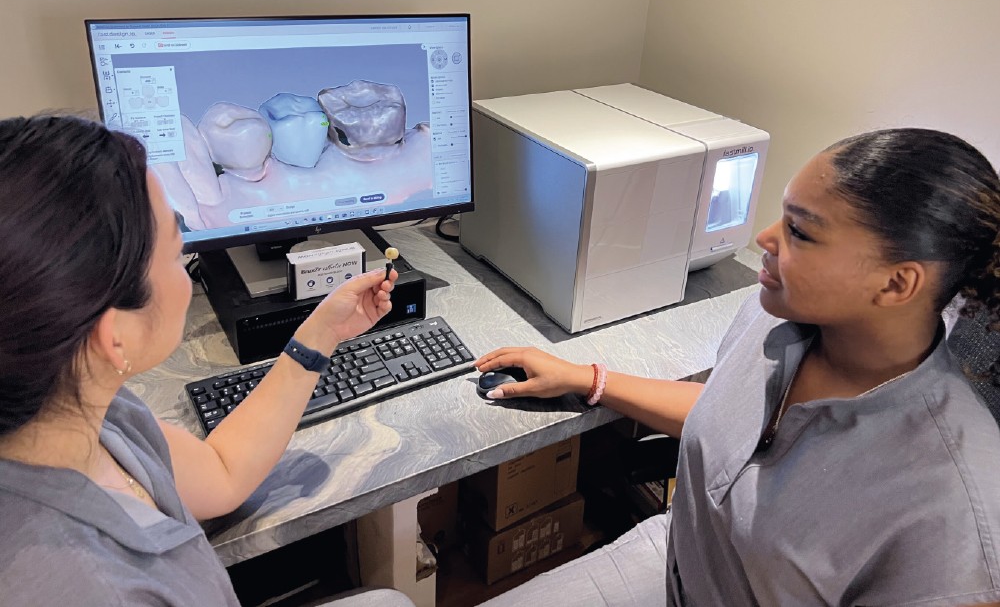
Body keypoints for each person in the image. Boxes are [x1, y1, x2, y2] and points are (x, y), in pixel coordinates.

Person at [475, 128, 1000, 607]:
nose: (766, 238)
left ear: (895, 284)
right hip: (682, 556)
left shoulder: (951, 513)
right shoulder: (771, 314)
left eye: (800, 232)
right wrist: (590, 379)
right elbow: (729, 410)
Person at [0, 116, 415, 607]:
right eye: (178, 255)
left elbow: (220, 474)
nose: (186, 272)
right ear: (113, 338)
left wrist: (320, 335)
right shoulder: (87, 586)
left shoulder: (84, 406)